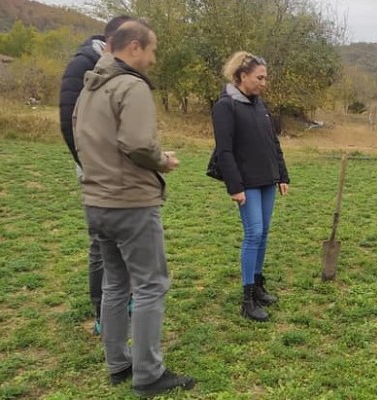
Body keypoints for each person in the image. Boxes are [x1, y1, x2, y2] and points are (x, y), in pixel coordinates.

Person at [73, 19, 195, 396]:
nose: (155, 59)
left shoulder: (90, 88)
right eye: (153, 50)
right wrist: (164, 161)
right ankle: (148, 374)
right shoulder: (131, 86)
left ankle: (118, 363)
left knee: (115, 284)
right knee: (150, 286)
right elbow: (139, 144)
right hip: (130, 203)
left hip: (97, 201)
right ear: (135, 47)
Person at [59, 15, 133, 335]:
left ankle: (122, 299)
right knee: (101, 243)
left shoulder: (120, 67)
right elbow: (68, 120)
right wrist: (90, 166)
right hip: (96, 169)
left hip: (121, 169)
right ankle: (102, 308)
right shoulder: (84, 63)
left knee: (125, 237)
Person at [211, 51, 290, 322]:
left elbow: (273, 143)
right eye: (260, 77)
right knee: (253, 233)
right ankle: (246, 300)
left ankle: (258, 286)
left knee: (264, 233)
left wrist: (282, 175)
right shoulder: (225, 106)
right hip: (246, 183)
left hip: (267, 179)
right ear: (242, 76)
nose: (264, 83)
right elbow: (224, 151)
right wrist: (235, 186)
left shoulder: (259, 104)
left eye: (265, 78)